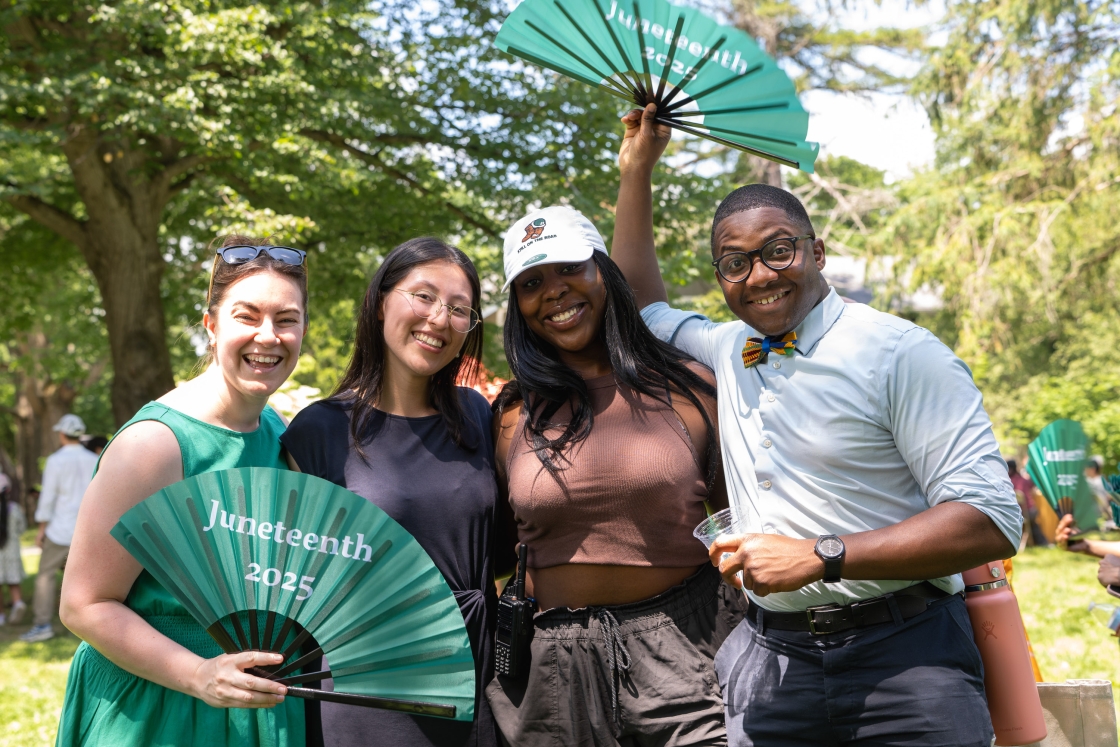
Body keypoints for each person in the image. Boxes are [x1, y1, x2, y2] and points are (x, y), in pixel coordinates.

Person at [611, 104, 1023, 747]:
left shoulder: (901, 353)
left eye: (778, 251)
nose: (760, 275)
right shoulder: (726, 347)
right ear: (721, 276)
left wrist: (820, 556)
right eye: (735, 262)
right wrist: (637, 170)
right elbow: (639, 306)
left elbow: (992, 517)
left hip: (909, 660)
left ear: (817, 251)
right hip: (773, 668)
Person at [485, 205, 746, 746]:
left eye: (568, 269)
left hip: (685, 652)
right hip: (551, 664)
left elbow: (735, 519)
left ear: (604, 271)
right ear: (518, 305)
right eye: (532, 282)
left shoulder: (690, 388)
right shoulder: (513, 414)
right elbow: (500, 547)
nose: (553, 291)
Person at [56, 238, 309, 746]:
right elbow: (83, 604)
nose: (269, 336)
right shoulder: (154, 446)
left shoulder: (278, 433)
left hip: (251, 701)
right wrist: (198, 674)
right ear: (212, 326)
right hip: (157, 705)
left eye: (286, 319)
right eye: (247, 316)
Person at [281, 238, 507, 747]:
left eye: (459, 309)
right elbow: (293, 581)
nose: (438, 318)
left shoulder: (476, 415)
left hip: (477, 675)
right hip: (369, 686)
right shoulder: (318, 430)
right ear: (381, 301)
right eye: (423, 296)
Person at [21, 414, 98, 642]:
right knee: (87, 579)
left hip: (60, 529)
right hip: (87, 529)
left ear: (62, 434)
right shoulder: (93, 459)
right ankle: (90, 626)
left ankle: (42, 623)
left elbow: (48, 497)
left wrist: (41, 528)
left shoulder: (55, 460)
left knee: (45, 576)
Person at [0, 473, 28, 626]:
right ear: (8, 491)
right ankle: (17, 603)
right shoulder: (14, 508)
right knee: (13, 581)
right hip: (12, 551)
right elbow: (22, 528)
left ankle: (1, 616)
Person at [1009, 458, 1048, 547]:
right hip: (1028, 511)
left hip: (1015, 513)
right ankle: (1042, 543)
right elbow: (1034, 486)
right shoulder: (1023, 480)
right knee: (1034, 524)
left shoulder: (1008, 481)